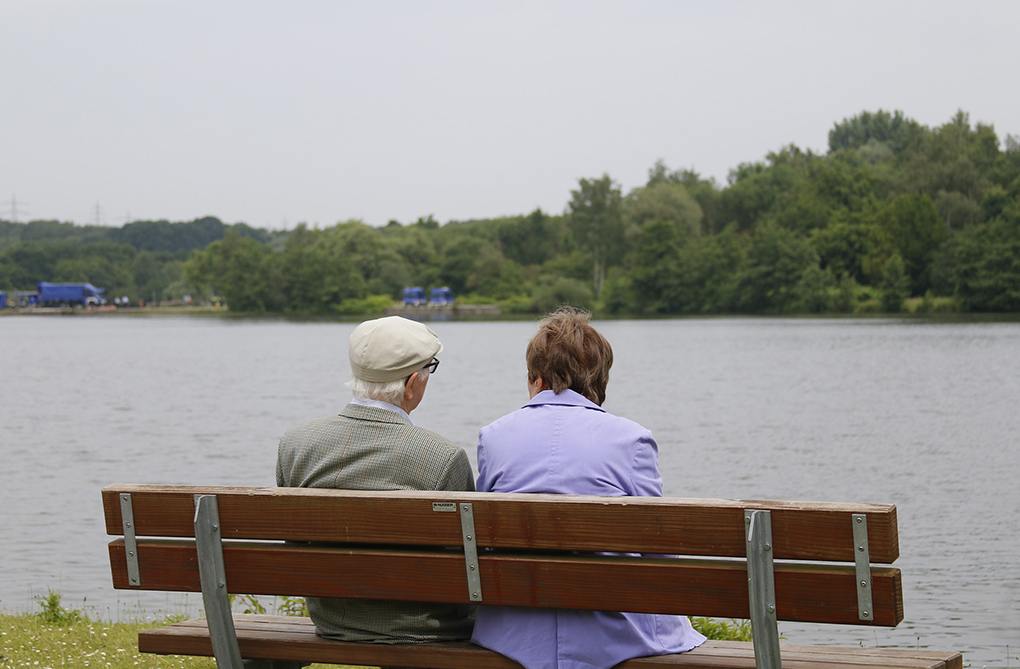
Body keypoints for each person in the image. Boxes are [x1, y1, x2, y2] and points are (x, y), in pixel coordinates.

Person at [470, 307, 707, 669]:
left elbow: (487, 540)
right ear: (599, 379)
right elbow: (659, 556)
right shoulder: (633, 440)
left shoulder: (494, 437)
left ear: (535, 378)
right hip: (610, 633)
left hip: (513, 629)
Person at [276, 315, 475, 643]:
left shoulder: (295, 443)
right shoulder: (442, 457)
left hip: (331, 620)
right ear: (412, 384)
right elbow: (466, 568)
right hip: (422, 627)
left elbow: (294, 544)